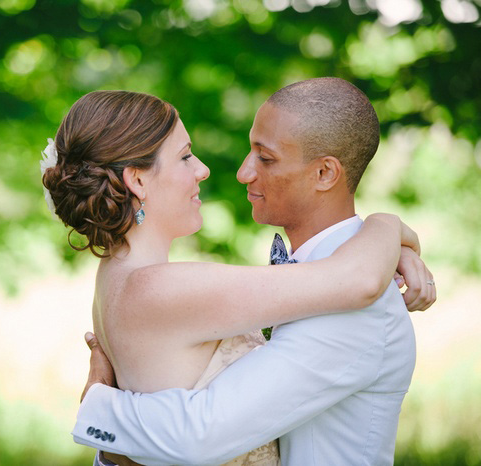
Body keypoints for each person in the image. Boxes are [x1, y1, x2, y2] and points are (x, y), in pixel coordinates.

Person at [43, 86, 434, 465]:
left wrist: (101, 415)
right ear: (138, 180)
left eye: (265, 158)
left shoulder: (114, 276)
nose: (229, 171)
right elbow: (199, 435)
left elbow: (359, 280)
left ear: (324, 172)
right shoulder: (157, 286)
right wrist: (387, 226)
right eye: (185, 157)